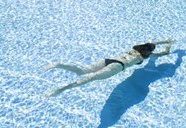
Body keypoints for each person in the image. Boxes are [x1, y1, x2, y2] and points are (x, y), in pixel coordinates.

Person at [44, 39, 174, 97]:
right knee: (88, 79)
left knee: (82, 71)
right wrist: (168, 45)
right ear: (148, 51)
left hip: (109, 60)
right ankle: (60, 90)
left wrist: (164, 41)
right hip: (117, 66)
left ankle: (59, 65)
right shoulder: (144, 56)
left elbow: (153, 43)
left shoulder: (135, 48)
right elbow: (164, 53)